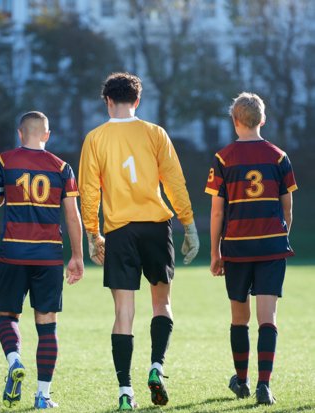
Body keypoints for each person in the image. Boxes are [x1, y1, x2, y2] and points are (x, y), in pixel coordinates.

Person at [78, 72, 199, 410]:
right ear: (137, 101)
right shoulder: (154, 133)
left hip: (119, 230)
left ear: (107, 101)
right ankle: (157, 368)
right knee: (162, 304)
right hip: (156, 227)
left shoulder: (95, 138)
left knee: (123, 312)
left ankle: (125, 391)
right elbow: (174, 180)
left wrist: (92, 233)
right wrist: (188, 223)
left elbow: (89, 190)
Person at [205, 92, 297, 405]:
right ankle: (264, 386)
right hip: (272, 247)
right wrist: (280, 237)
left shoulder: (223, 158)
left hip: (237, 248)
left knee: (239, 318)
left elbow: (217, 211)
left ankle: (242, 381)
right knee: (267, 318)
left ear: (235, 121)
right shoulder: (279, 156)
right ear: (263, 120)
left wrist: (215, 252)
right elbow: (287, 208)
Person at [0, 111, 84, 409]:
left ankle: (15, 360)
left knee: (8, 317)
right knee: (47, 326)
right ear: (46, 134)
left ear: (20, 133)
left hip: (13, 253)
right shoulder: (62, 167)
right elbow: (72, 214)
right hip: (49, 256)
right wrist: (77, 256)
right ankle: (43, 396)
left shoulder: (5, 161)